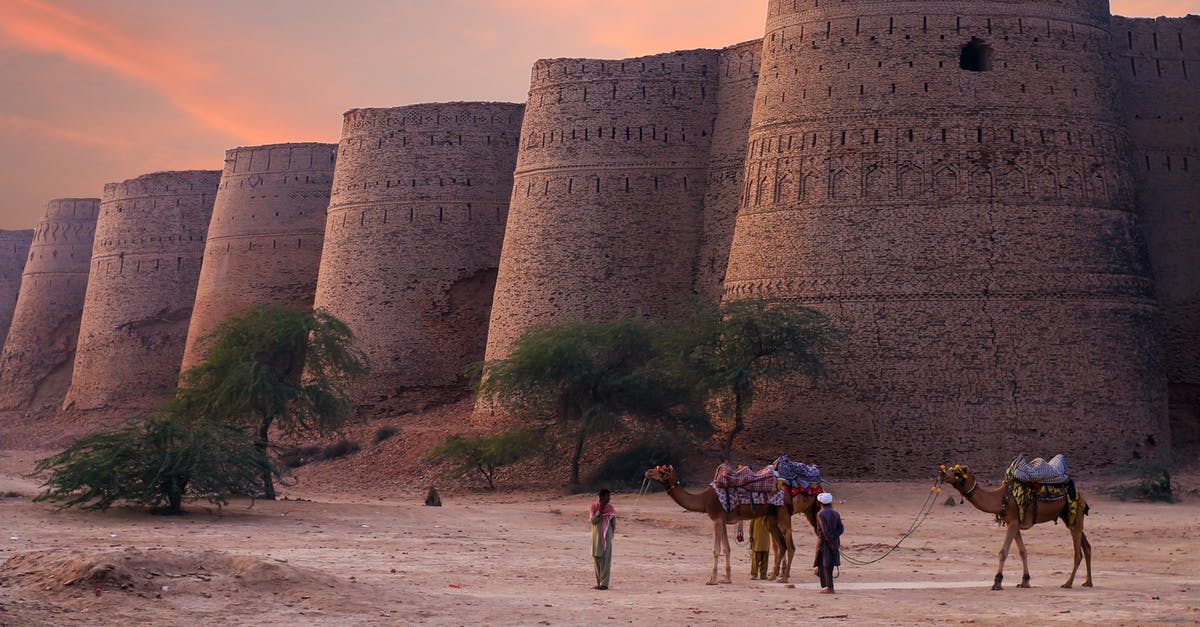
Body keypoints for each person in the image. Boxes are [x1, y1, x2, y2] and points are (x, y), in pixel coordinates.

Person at [813, 492, 843, 593]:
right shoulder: (836, 513)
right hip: (834, 542)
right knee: (829, 564)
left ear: (819, 503)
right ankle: (827, 586)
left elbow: (824, 531)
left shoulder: (820, 514)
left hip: (824, 543)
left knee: (824, 564)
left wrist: (829, 540)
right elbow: (841, 529)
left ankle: (828, 587)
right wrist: (834, 538)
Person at [589, 488, 616, 590]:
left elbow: (613, 524)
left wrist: (610, 534)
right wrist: (599, 511)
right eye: (607, 496)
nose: (609, 498)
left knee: (606, 560)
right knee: (596, 559)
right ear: (602, 497)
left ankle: (604, 584)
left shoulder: (610, 508)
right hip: (596, 537)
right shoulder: (594, 507)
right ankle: (599, 583)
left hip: (606, 538)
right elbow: (593, 521)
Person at [748, 515, 771, 580]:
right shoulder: (755, 516)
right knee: (756, 559)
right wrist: (751, 536)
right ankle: (755, 574)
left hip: (764, 541)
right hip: (757, 541)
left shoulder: (767, 517)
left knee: (763, 559)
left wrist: (751, 536)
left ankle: (762, 574)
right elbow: (751, 527)